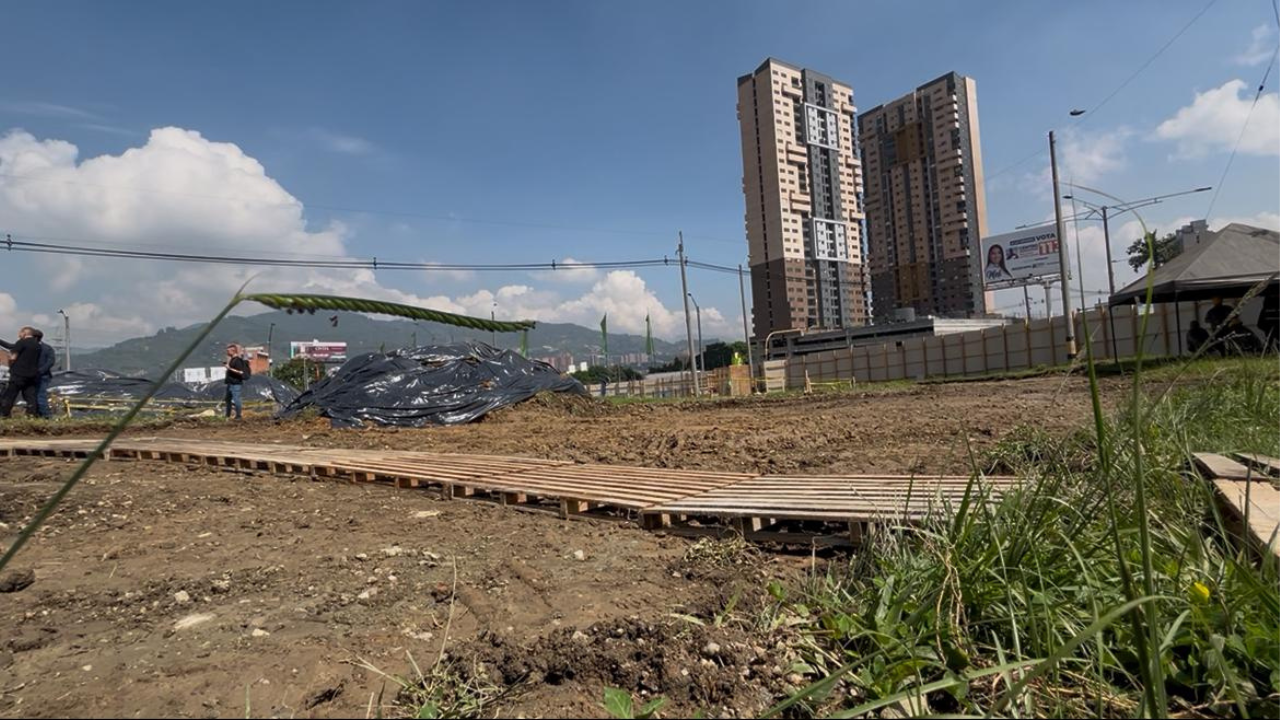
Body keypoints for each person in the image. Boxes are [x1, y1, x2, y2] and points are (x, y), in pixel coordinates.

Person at [0, 327, 43, 418]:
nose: (19, 336)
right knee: (30, 396)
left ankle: (4, 414)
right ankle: (32, 414)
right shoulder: (38, 345)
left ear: (24, 333)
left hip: (18, 374)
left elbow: (13, 357)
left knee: (10, 395)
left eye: (20, 333)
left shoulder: (21, 342)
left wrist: (10, 362)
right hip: (32, 375)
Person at [31, 328, 57, 418]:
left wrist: (39, 371)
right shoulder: (48, 348)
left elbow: (51, 362)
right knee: (36, 395)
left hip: (40, 376)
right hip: (43, 374)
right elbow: (51, 361)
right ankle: (39, 414)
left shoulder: (35, 348)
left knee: (40, 395)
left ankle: (46, 415)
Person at [222, 343, 251, 420]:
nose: (227, 352)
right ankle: (227, 415)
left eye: (228, 351)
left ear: (233, 351)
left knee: (236, 399)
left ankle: (238, 416)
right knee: (228, 399)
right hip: (230, 383)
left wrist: (229, 368)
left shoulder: (238, 361)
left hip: (236, 383)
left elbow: (240, 372)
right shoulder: (232, 360)